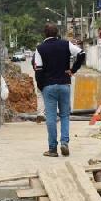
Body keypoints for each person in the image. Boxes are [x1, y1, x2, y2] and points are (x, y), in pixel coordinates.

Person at [33, 23, 84, 157]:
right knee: (65, 115)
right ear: (57, 33)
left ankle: (52, 149)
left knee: (50, 117)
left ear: (45, 34)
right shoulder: (66, 44)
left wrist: (41, 86)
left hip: (48, 87)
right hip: (64, 84)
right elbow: (81, 53)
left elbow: (38, 70)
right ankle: (64, 143)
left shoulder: (40, 49)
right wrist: (73, 70)